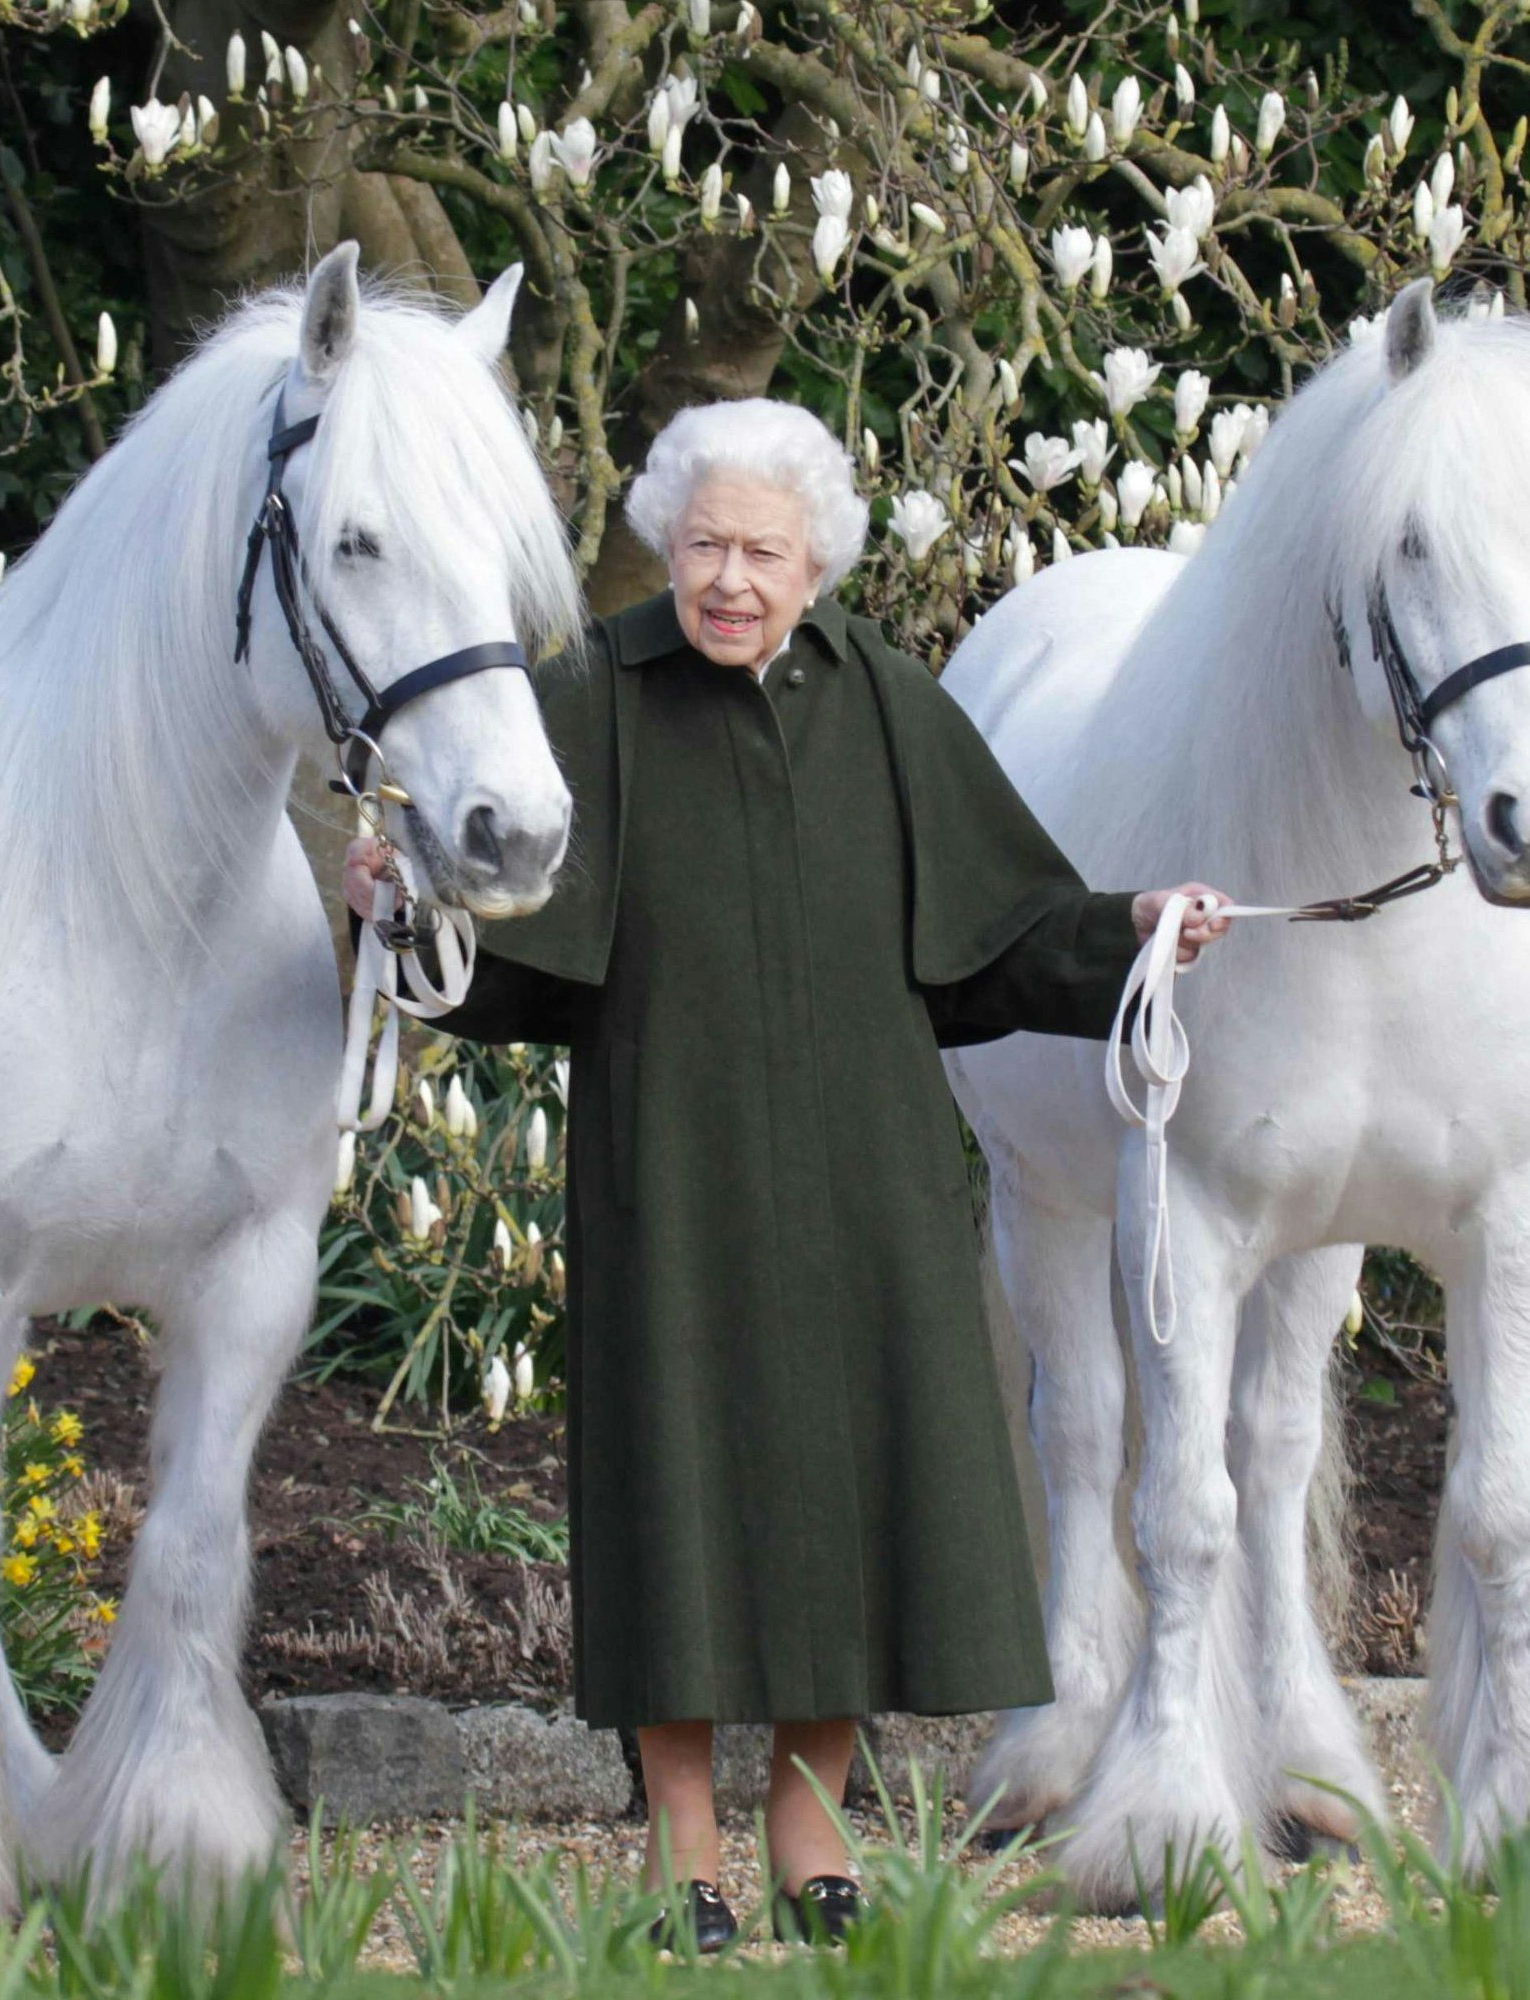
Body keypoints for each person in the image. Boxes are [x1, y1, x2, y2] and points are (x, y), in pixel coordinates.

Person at [344, 399, 1228, 1952]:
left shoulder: (887, 702)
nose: (728, 580)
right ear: (664, 551)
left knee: (854, 1497)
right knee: (676, 1492)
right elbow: (499, 951)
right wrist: (394, 909)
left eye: (760, 550)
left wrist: (1144, 924)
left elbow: (1006, 933)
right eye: (701, 547)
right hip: (664, 1169)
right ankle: (683, 1829)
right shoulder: (596, 698)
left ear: (816, 561)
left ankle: (807, 1811)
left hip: (866, 1177)